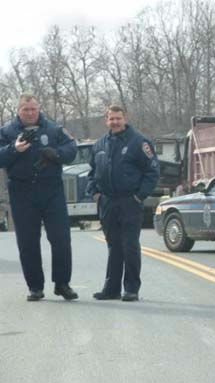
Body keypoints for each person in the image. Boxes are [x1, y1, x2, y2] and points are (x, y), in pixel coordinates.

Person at [0, 93, 78, 301]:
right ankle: (35, 286)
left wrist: (56, 154)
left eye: (33, 109)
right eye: (26, 109)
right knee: (28, 242)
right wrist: (13, 149)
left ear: (38, 108)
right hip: (22, 191)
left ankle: (62, 284)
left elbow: (72, 149)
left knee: (61, 239)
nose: (30, 113)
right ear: (18, 110)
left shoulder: (53, 129)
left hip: (51, 190)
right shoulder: (7, 132)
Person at [87, 105, 160, 302]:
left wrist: (139, 196)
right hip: (107, 202)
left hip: (130, 201)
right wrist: (95, 194)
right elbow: (92, 172)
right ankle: (111, 289)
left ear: (125, 118)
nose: (115, 122)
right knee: (113, 246)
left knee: (129, 245)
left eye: (118, 118)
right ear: (106, 120)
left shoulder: (139, 142)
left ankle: (131, 288)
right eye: (112, 119)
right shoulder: (100, 144)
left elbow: (152, 171)